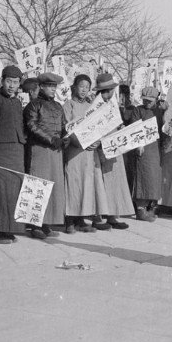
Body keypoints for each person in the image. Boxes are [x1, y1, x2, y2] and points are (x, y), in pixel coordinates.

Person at [0, 65, 26, 244]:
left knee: (13, 190)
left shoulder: (17, 102)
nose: (11, 86)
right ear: (2, 81)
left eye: (15, 82)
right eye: (9, 81)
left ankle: (9, 229)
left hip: (16, 150)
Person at [23, 72, 67, 239]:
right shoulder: (34, 105)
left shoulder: (58, 106)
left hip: (56, 150)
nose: (52, 89)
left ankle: (47, 222)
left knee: (53, 186)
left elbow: (64, 126)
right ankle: (34, 224)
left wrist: (65, 139)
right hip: (39, 149)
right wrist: (51, 139)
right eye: (49, 86)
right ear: (41, 87)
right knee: (38, 184)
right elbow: (32, 126)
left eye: (54, 86)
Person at [92, 74, 135, 229]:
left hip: (114, 146)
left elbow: (116, 123)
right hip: (101, 146)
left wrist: (121, 128)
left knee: (114, 181)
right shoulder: (95, 106)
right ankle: (98, 217)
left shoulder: (112, 104)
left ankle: (112, 215)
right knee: (100, 182)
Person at [62, 75, 100, 232]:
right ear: (74, 87)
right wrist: (81, 142)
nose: (84, 90)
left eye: (87, 87)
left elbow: (98, 125)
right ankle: (69, 220)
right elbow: (66, 127)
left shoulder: (92, 106)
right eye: (81, 86)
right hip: (74, 150)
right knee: (73, 183)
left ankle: (81, 219)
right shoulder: (68, 105)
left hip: (89, 152)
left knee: (86, 184)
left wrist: (97, 141)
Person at [130, 86, 165, 221]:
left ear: (156, 99)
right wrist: (138, 145)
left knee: (154, 178)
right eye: (145, 100)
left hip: (156, 147)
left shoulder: (159, 110)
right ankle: (140, 209)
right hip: (143, 147)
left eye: (150, 100)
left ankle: (150, 207)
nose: (147, 103)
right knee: (143, 176)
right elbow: (134, 128)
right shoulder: (138, 110)